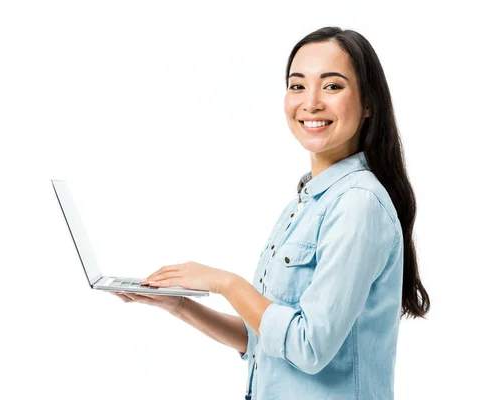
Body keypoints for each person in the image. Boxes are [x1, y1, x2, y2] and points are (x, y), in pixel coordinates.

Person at [110, 26, 430, 400]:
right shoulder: (307, 203)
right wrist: (179, 304)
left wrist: (226, 283)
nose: (310, 102)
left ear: (369, 103)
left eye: (332, 86)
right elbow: (265, 340)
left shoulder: (358, 204)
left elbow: (307, 347)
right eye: (297, 85)